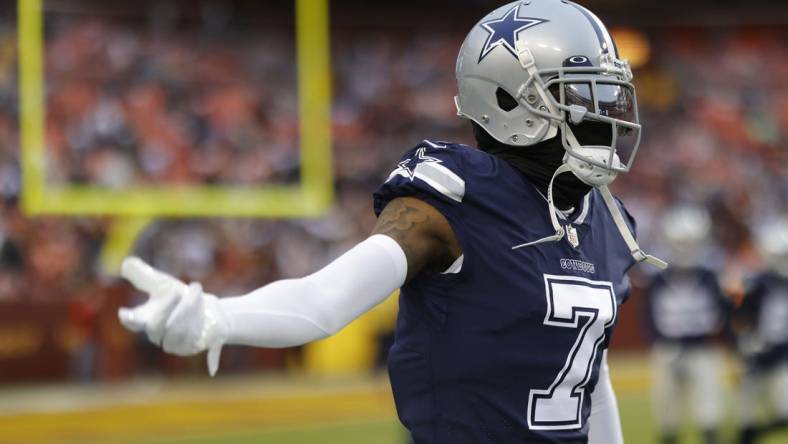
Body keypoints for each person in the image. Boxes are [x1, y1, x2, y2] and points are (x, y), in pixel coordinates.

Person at [117, 1, 665, 442]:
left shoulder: (606, 219)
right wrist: (217, 316)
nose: (605, 114)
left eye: (610, 95)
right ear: (506, 99)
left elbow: (592, 374)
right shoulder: (454, 199)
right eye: (580, 95)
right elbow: (322, 301)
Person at [644, 206, 731, 444]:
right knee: (667, 409)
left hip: (702, 347)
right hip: (667, 348)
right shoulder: (658, 277)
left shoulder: (710, 276)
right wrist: (658, 342)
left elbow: (722, 314)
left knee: (709, 407)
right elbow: (649, 316)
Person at [735, 217, 788, 444]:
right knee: (747, 416)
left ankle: (758, 434)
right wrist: (745, 342)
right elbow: (739, 319)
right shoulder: (757, 284)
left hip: (783, 357)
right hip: (758, 357)